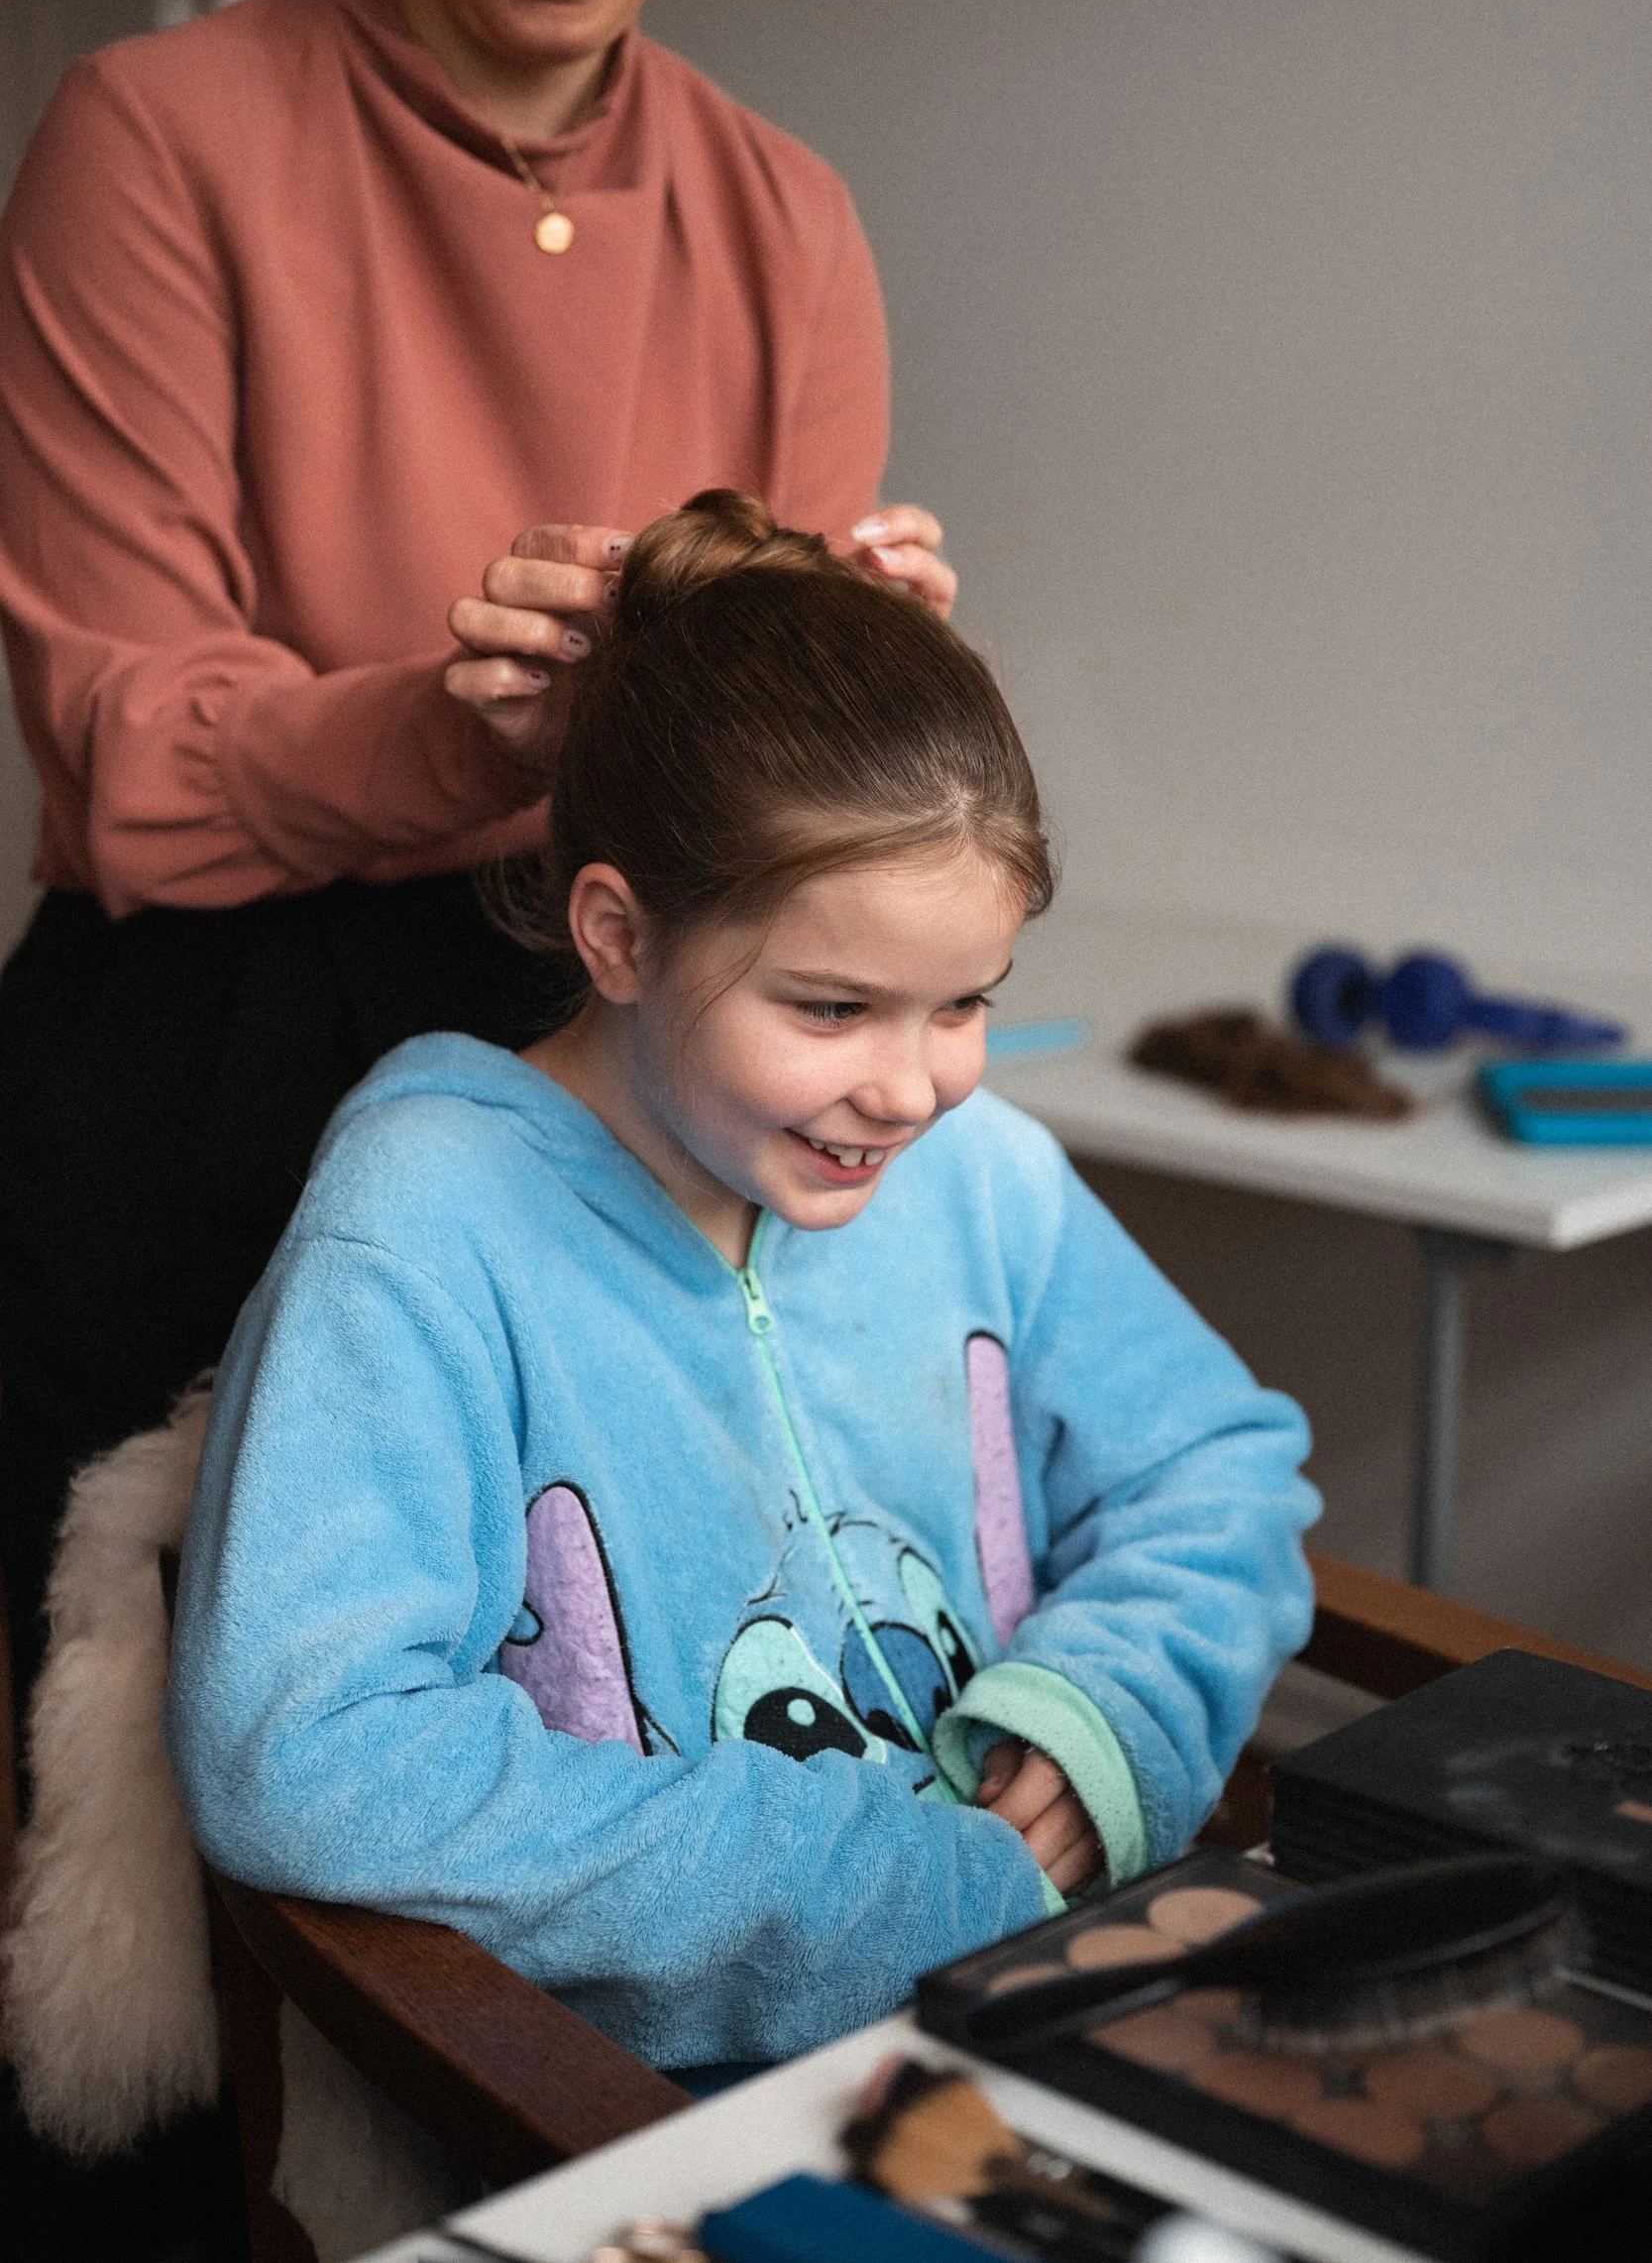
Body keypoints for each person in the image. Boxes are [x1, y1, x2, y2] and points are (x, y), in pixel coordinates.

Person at [0, 0, 957, 1757]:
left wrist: (860, 677)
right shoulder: (156, 136)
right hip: (209, 1071)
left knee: (614, 1740)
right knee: (162, 1829)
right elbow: (122, 760)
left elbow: (779, 818)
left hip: (616, 1066)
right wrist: (458, 729)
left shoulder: (783, 213)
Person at [166, 494, 1319, 2075]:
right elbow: (307, 1750)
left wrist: (1105, 1712)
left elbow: (1218, 1466)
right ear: (619, 935)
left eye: (962, 1003)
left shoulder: (974, 1175)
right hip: (634, 2115)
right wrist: (906, 1883)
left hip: (1042, 2020)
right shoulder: (424, 1222)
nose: (912, 1090)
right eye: (833, 1008)